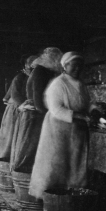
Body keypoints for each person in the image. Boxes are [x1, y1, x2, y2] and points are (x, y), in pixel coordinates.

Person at [29, 52, 96, 198]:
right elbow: (55, 109)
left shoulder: (81, 84)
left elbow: (86, 103)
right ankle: (49, 198)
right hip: (58, 128)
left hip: (77, 129)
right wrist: (79, 116)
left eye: (80, 66)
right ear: (65, 66)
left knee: (74, 162)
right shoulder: (58, 83)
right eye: (74, 65)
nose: (78, 68)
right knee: (56, 163)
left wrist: (94, 110)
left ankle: (71, 197)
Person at [10, 47, 63, 174]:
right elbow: (37, 96)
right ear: (53, 59)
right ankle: (24, 179)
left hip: (33, 112)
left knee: (28, 146)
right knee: (30, 147)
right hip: (35, 114)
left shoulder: (40, 70)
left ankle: (24, 177)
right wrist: (47, 113)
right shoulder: (41, 72)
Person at [0, 55, 37, 163]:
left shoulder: (35, 77)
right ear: (27, 66)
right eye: (31, 66)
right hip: (15, 109)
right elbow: (15, 94)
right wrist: (23, 105)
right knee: (10, 137)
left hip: (26, 109)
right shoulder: (20, 77)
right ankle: (5, 161)